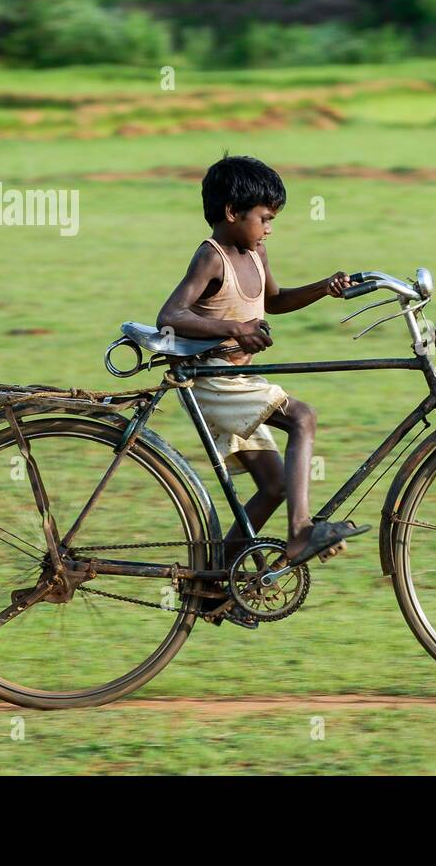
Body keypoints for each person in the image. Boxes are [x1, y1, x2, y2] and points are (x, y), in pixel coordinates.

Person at [156, 154, 368, 569]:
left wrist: (324, 287)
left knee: (274, 486)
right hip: (213, 381)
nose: (269, 228)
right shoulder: (212, 257)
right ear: (232, 212)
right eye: (264, 218)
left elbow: (275, 300)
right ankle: (300, 532)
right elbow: (171, 316)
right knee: (302, 417)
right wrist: (235, 329)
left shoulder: (256, 253)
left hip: (237, 379)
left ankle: (212, 582)